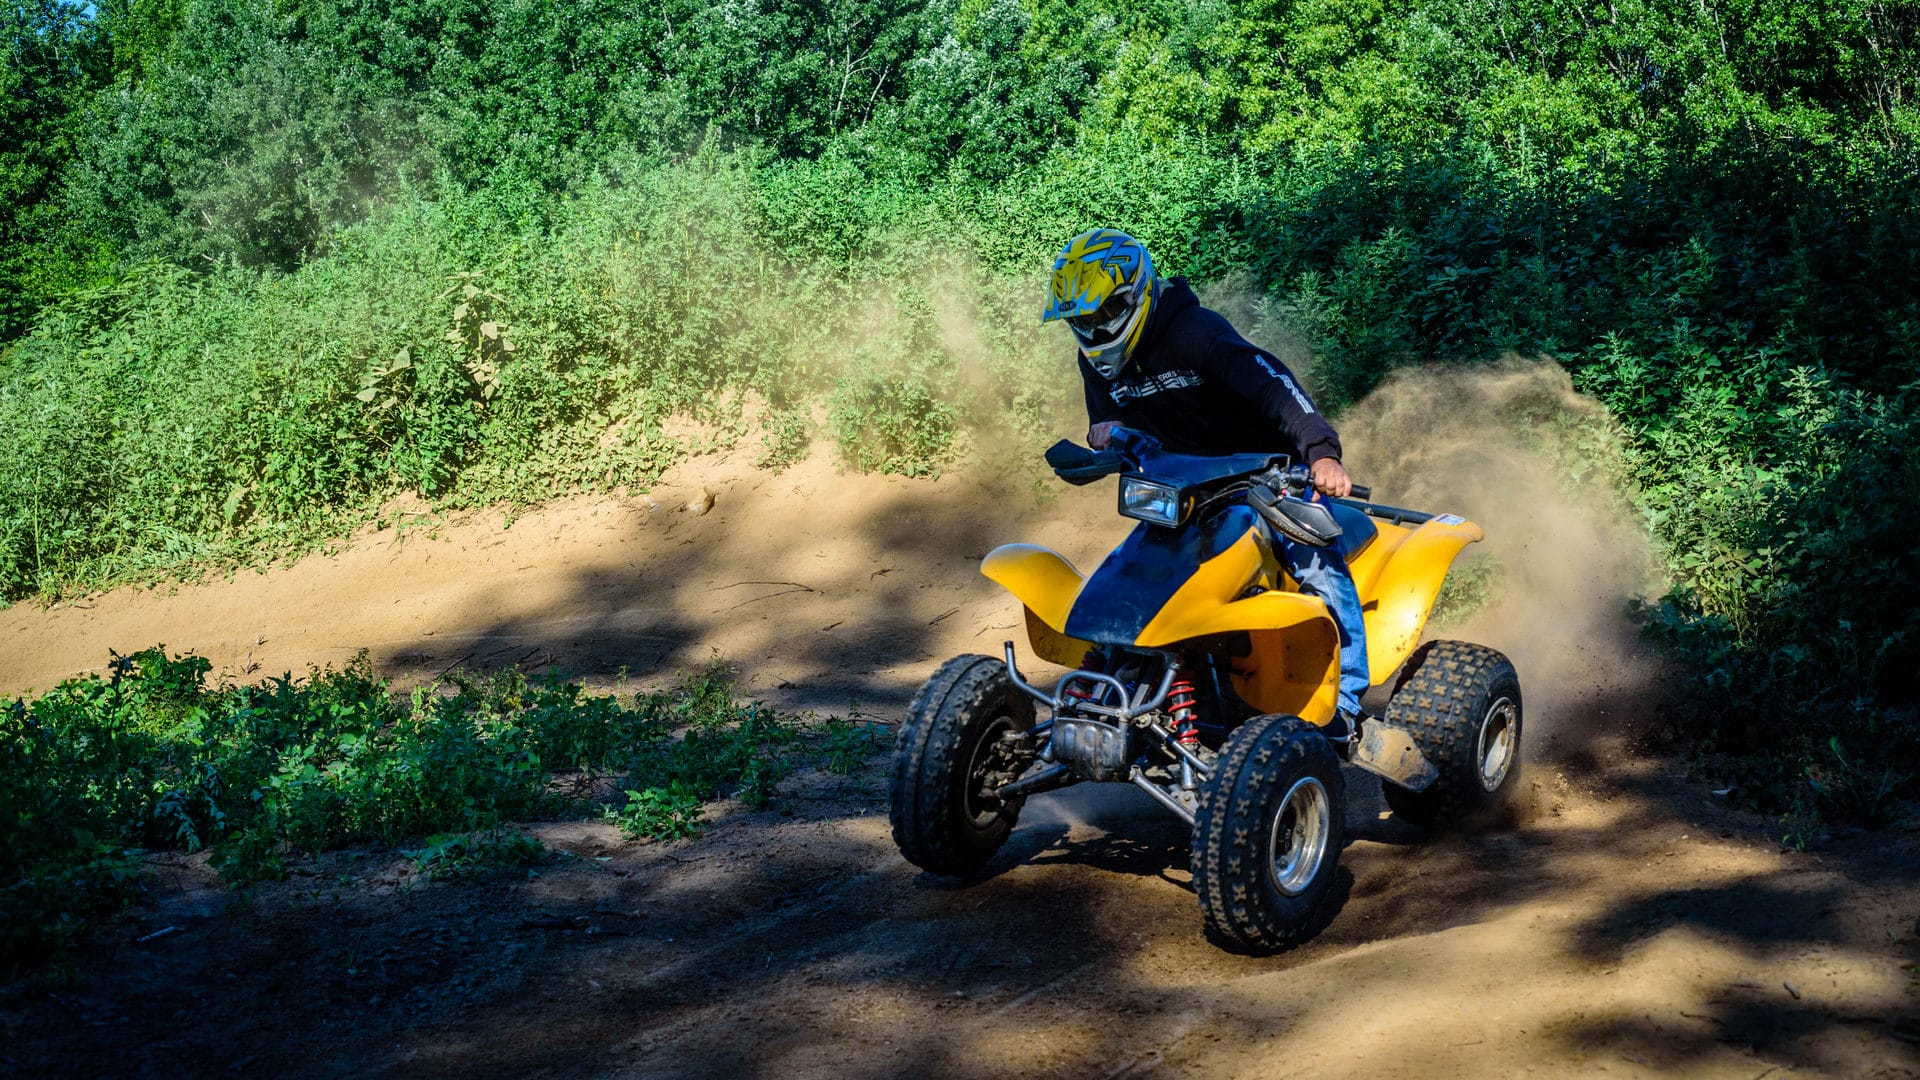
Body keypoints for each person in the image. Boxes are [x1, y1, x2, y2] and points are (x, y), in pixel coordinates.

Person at [1041, 227, 1372, 732]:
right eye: (1082, 320)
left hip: (1268, 476)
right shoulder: (1096, 362)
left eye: (1104, 313)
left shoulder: (1195, 332)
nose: (1094, 327)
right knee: (1136, 569)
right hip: (1182, 490)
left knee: (1314, 561)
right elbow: (1112, 423)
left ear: (1136, 296)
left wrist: (1322, 454)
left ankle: (1344, 705)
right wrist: (1105, 434)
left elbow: (1275, 386)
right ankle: (1121, 685)